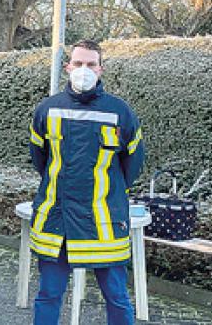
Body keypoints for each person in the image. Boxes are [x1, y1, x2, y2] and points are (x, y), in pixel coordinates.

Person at [28, 40, 145, 325]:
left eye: (91, 64)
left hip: (103, 221)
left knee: (116, 297)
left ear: (101, 69)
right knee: (48, 295)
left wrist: (109, 192)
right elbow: (40, 161)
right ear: (68, 67)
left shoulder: (121, 112)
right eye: (78, 63)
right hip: (58, 220)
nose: (84, 70)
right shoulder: (46, 109)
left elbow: (133, 164)